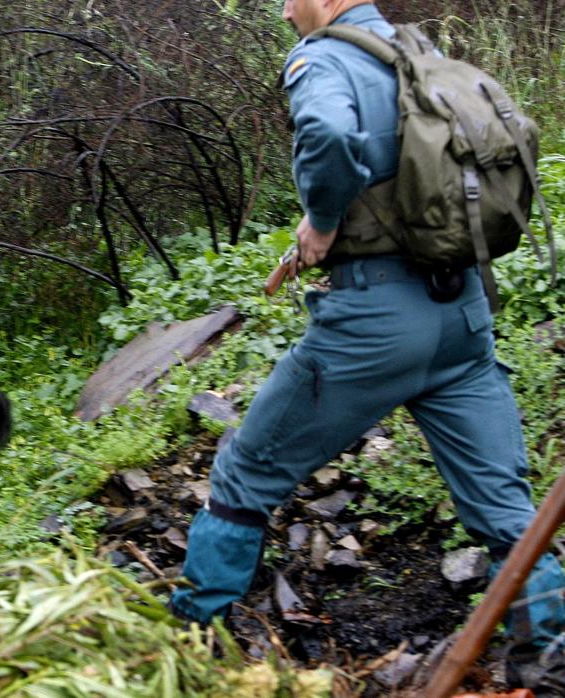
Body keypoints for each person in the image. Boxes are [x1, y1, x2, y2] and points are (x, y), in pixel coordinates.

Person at [168, 0, 565, 692]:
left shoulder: (320, 57)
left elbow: (324, 132)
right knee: (506, 510)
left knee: (243, 476)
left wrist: (321, 222)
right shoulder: (413, 53)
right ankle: (548, 661)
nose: (283, 8)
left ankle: (181, 646)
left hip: (374, 326)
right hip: (460, 314)